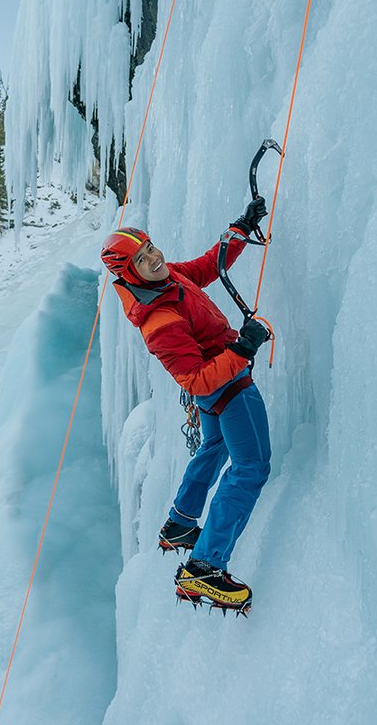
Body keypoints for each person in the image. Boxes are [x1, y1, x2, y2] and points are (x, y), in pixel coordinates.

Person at [100, 199, 271, 613]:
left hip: (217, 386)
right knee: (251, 467)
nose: (154, 259)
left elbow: (207, 267)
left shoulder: (168, 278)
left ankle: (180, 522)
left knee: (216, 446)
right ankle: (204, 569)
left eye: (150, 248)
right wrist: (243, 349)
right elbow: (194, 380)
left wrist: (239, 229)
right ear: (129, 274)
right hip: (226, 386)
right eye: (142, 259)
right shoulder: (159, 321)